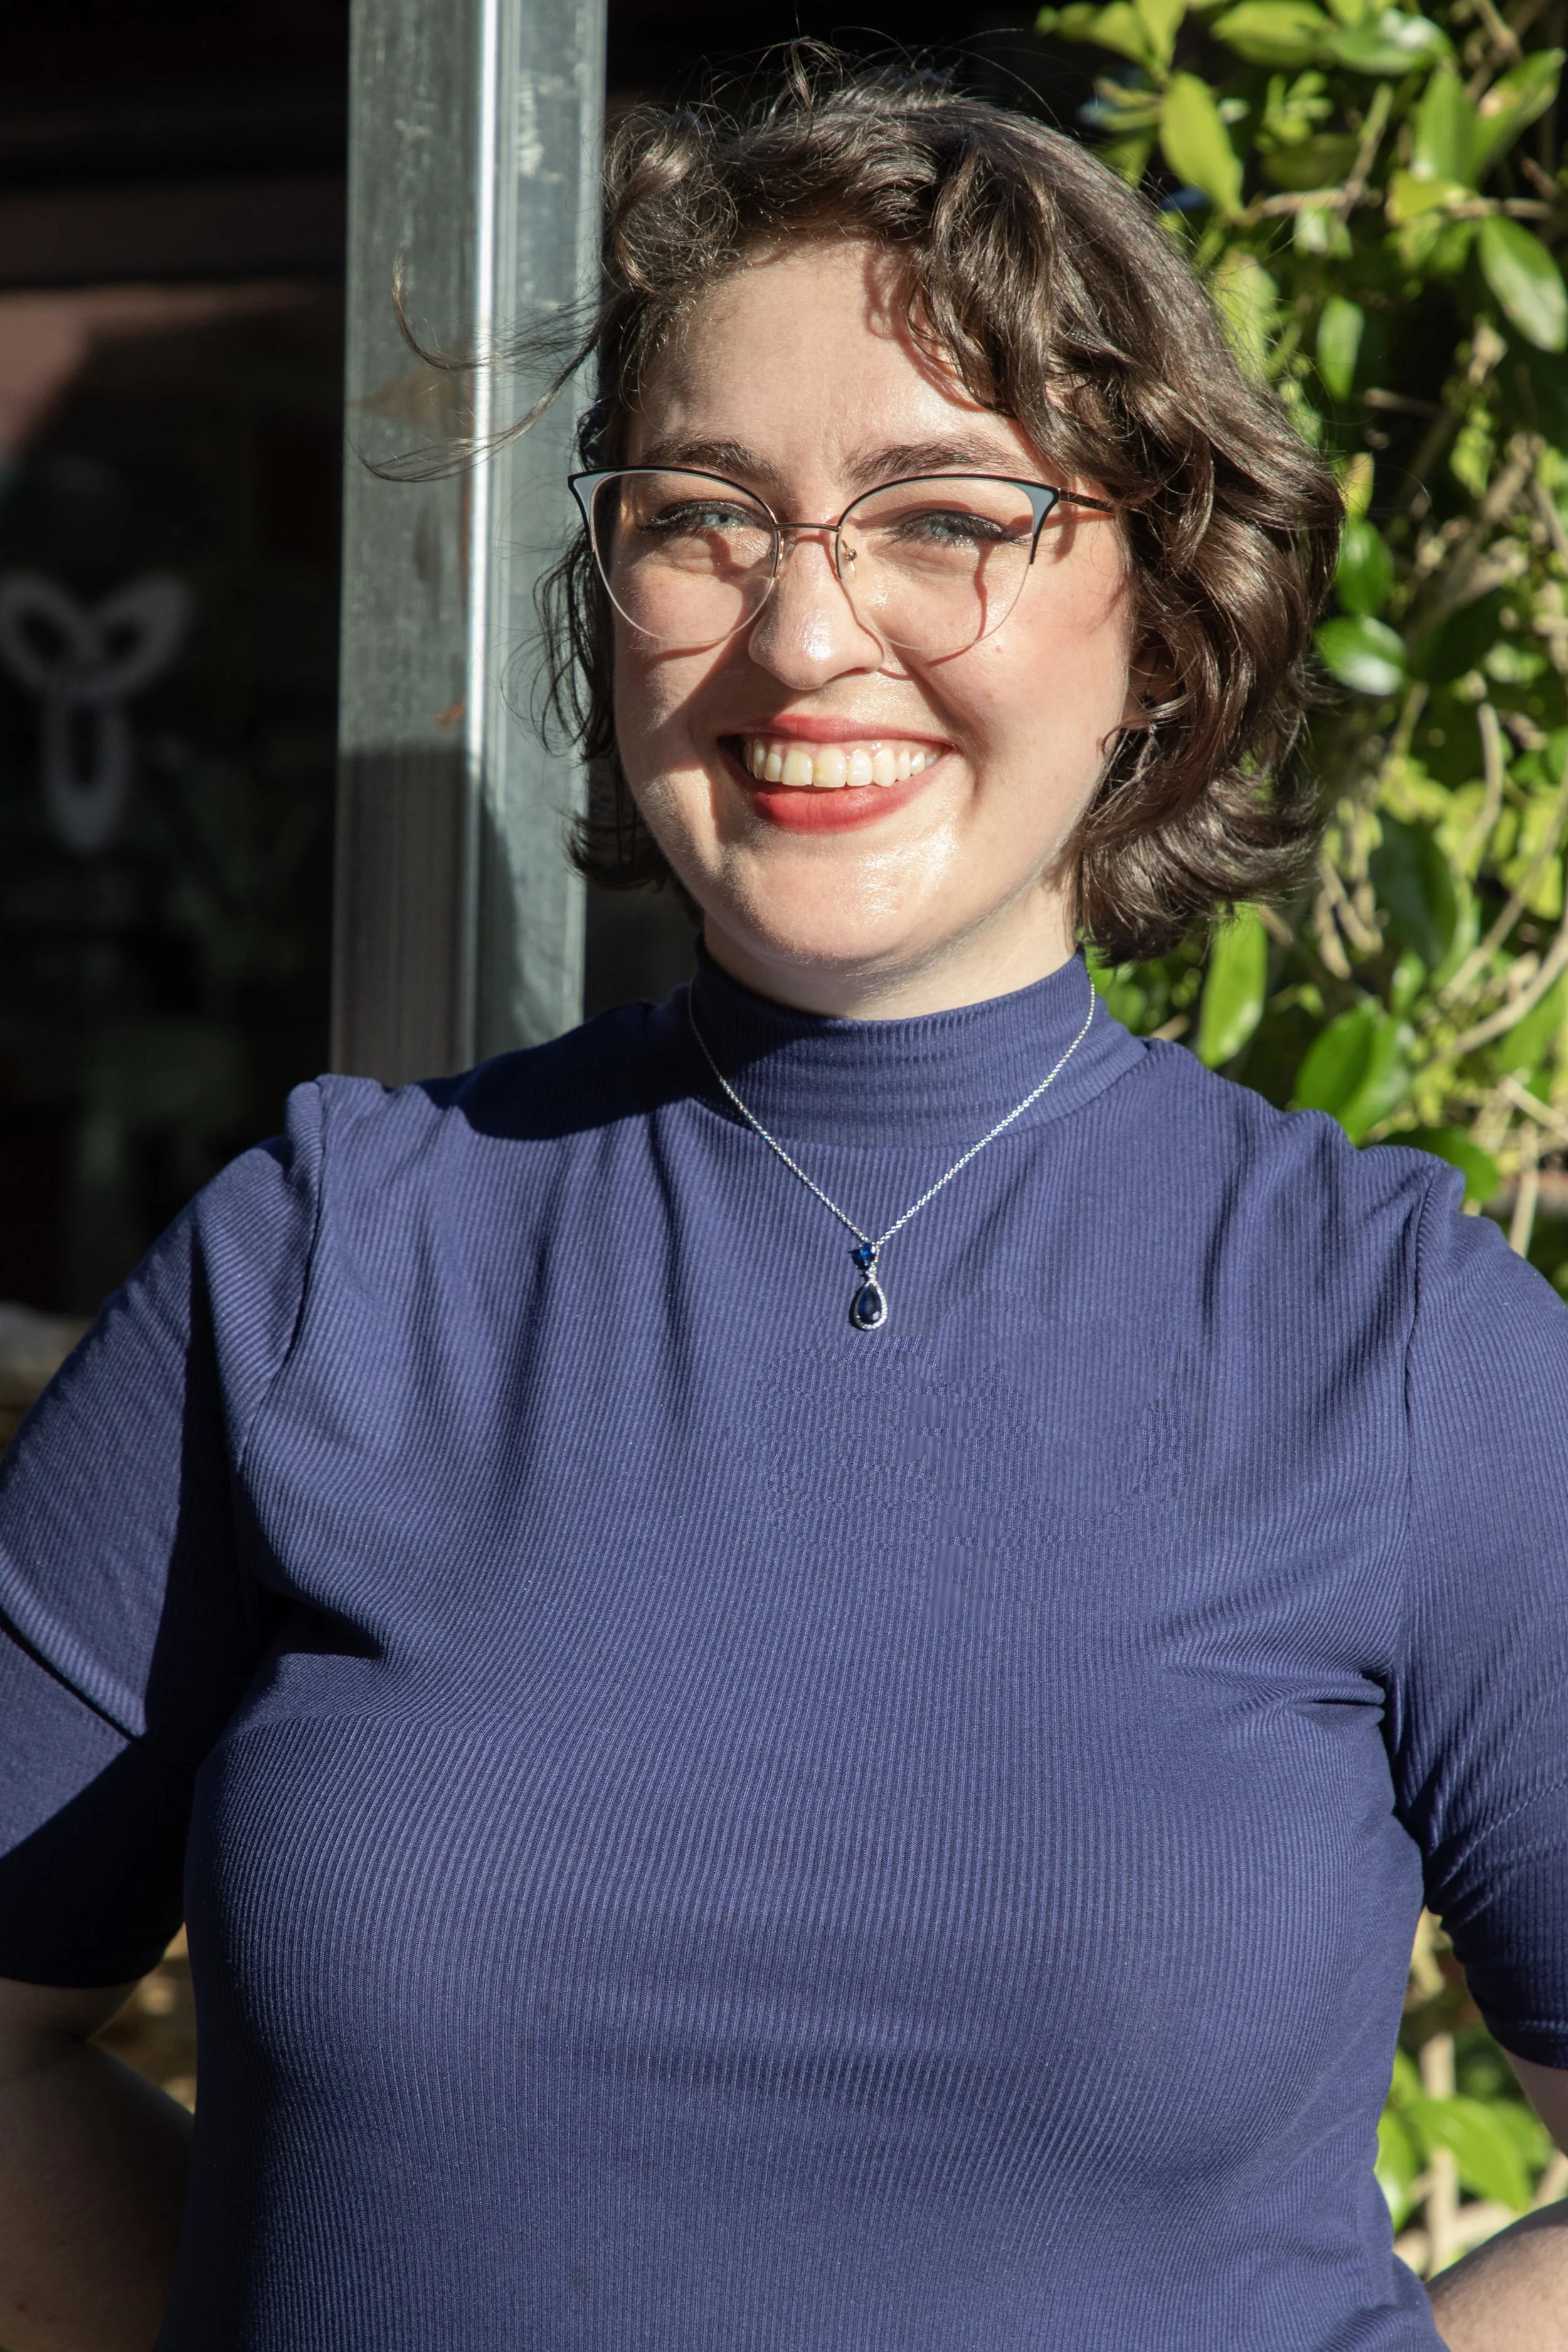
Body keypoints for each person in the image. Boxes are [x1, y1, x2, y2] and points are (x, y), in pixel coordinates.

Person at [1, 55, 1565, 2352]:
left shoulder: (1386, 1333)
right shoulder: (331, 1269)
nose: (804, 635)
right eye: (705, 514)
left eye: (944, 515)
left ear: (1159, 615)